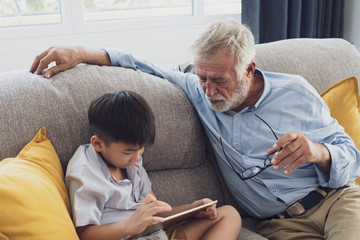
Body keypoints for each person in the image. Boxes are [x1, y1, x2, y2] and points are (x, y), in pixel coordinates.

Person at [31, 19, 360, 239]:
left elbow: (352, 157)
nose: (209, 90)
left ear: (249, 70)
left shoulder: (297, 92)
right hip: (280, 226)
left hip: (336, 200)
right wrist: (79, 52)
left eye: (219, 80)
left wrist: (319, 152)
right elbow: (139, 63)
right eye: (202, 78)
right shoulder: (197, 89)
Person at [65, 90, 242, 240]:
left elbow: (156, 211)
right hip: (125, 235)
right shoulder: (86, 174)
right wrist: (130, 226)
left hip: (155, 235)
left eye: (140, 149)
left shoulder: (132, 162)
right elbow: (85, 234)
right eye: (128, 152)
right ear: (98, 144)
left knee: (229, 214)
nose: (136, 158)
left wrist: (194, 209)